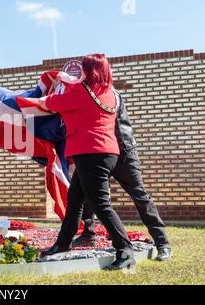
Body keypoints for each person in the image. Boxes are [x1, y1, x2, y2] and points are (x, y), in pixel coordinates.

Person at [41, 54, 135, 270]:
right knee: (75, 201)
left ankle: (125, 250)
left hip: (90, 154)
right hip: (106, 153)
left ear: (90, 71)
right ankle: (63, 244)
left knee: (101, 204)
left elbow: (53, 103)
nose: (80, 72)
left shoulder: (83, 92)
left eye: (83, 68)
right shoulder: (110, 93)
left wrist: (53, 87)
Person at [74, 90, 172, 261]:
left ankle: (163, 243)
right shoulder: (86, 93)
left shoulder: (110, 94)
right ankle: (88, 234)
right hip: (99, 152)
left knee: (140, 196)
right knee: (89, 194)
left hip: (124, 152)